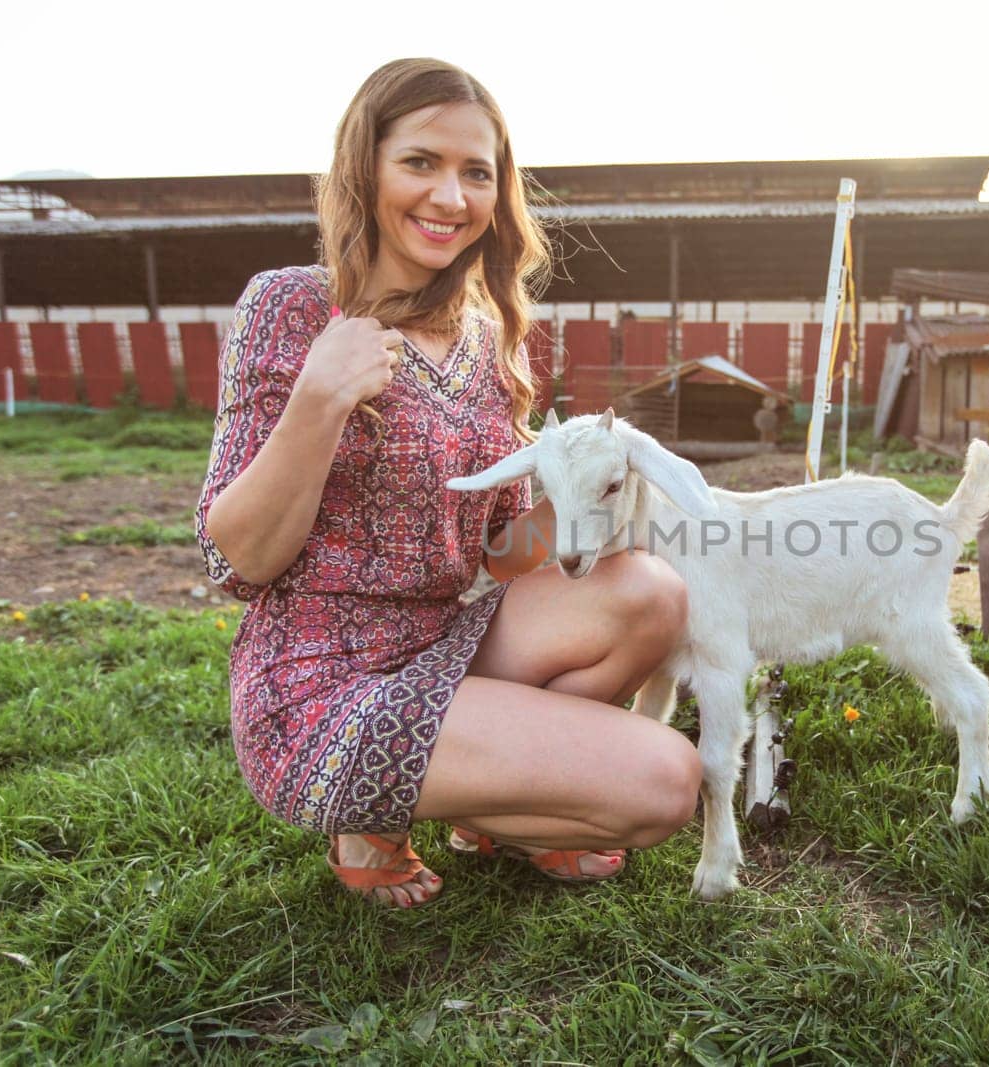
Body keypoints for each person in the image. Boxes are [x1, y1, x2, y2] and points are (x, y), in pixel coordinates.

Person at [196, 58, 700, 908]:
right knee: (665, 781)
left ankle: (497, 802)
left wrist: (591, 495)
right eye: (420, 162)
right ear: (367, 167)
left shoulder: (488, 333)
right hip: (324, 681)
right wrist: (320, 396)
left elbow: (503, 554)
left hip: (449, 640)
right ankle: (377, 820)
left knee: (649, 591)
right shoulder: (289, 306)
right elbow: (235, 559)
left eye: (477, 174)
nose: (450, 197)